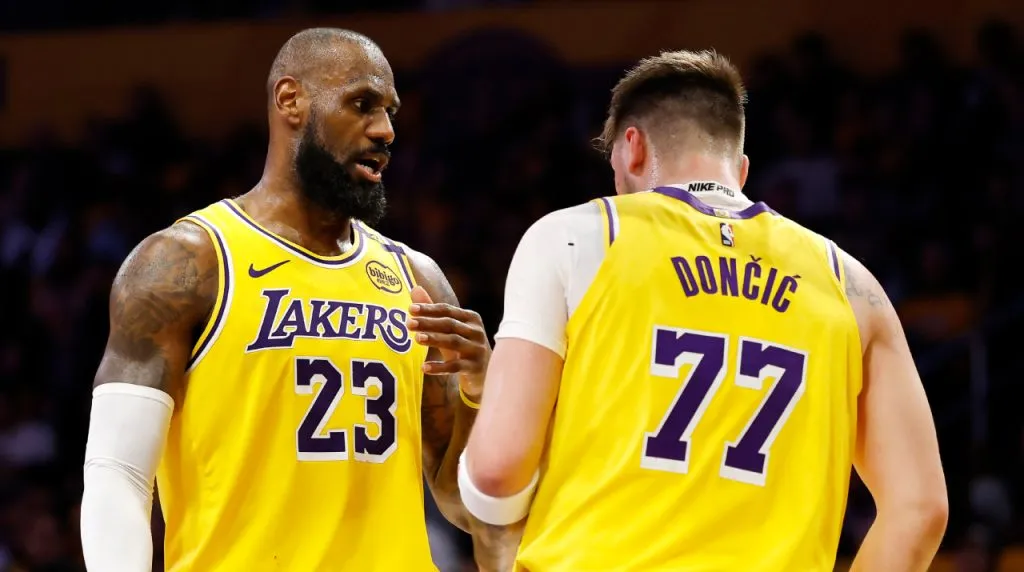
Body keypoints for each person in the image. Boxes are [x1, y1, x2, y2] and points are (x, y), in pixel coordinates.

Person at [458, 49, 949, 571]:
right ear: (740, 169)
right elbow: (920, 509)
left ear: (632, 148)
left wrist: (483, 492)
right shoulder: (849, 282)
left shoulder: (576, 236)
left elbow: (498, 472)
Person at [80, 28, 496, 571]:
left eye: (390, 111)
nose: (385, 129)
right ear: (290, 101)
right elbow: (118, 473)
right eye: (362, 104)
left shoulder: (416, 277)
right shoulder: (187, 262)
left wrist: (480, 392)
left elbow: (462, 502)